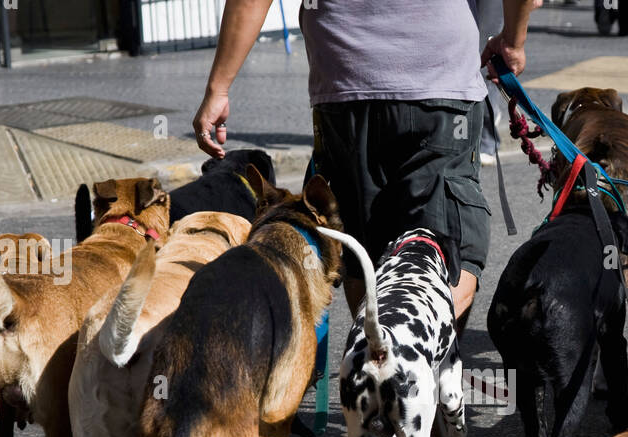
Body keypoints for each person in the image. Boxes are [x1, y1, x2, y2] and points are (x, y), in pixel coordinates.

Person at [193, 0, 536, 329]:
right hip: (439, 82)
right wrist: (513, 40)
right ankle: (417, 366)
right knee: (449, 251)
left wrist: (218, 88)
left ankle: (376, 364)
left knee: (363, 247)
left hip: (344, 88)